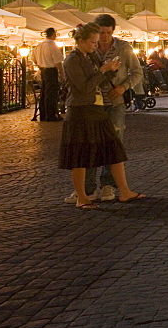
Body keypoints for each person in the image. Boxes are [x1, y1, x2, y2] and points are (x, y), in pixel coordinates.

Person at [59, 22, 145, 210]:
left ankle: (124, 191)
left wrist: (111, 71)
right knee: (80, 156)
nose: (95, 46)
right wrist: (103, 70)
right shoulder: (72, 60)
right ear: (80, 41)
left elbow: (99, 81)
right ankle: (82, 197)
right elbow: (84, 87)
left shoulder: (90, 56)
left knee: (113, 149)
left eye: (96, 42)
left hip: (97, 109)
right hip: (80, 111)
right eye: (92, 42)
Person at [32, 27, 65, 122]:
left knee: (44, 93)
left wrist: (40, 65)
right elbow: (58, 62)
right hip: (51, 71)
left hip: (43, 71)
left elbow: (33, 58)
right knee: (51, 94)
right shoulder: (52, 46)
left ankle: (43, 114)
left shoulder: (39, 46)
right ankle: (51, 115)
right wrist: (62, 75)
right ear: (53, 34)